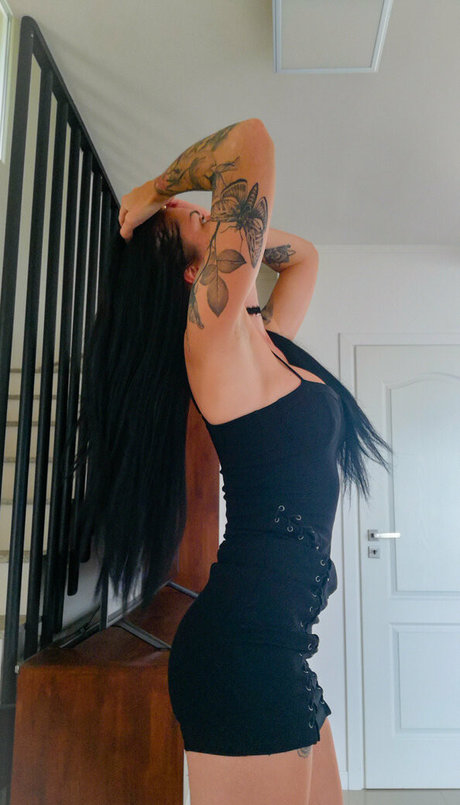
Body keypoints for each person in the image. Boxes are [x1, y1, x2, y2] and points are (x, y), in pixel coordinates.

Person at [74, 118, 392, 804]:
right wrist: (154, 189)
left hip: (277, 647)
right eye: (191, 222)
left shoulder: (261, 342)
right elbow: (251, 142)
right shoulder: (214, 346)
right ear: (196, 275)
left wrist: (190, 217)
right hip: (243, 654)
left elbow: (303, 258)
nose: (196, 208)